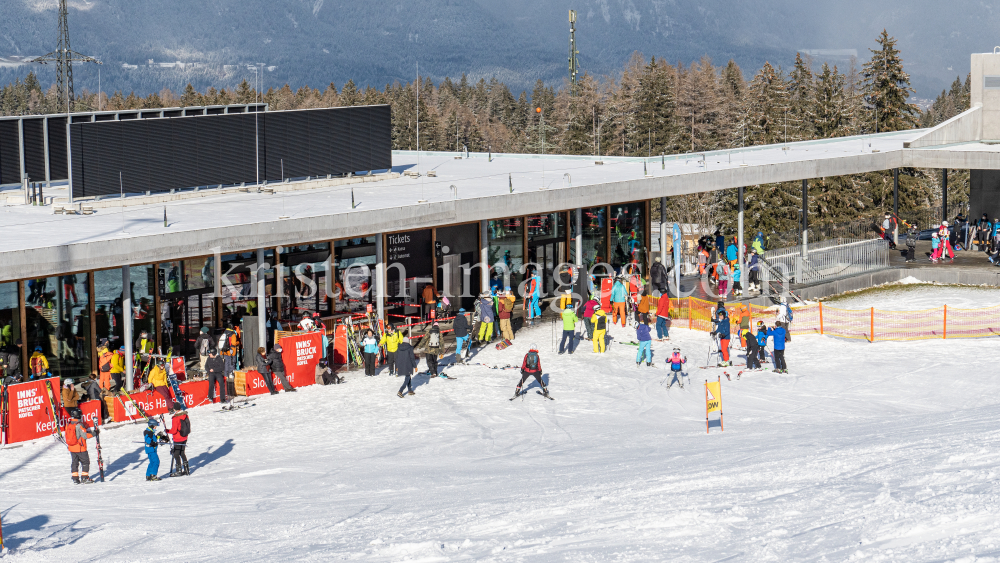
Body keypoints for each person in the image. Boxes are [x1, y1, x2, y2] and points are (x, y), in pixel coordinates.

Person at [63, 415, 96, 484]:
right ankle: (84, 478)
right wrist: (94, 433)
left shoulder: (68, 424)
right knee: (85, 462)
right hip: (80, 448)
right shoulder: (79, 425)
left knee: (74, 463)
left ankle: (75, 479)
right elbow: (85, 435)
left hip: (71, 447)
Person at [166, 403, 190, 477]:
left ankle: (178, 470)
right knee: (182, 453)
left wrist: (167, 431)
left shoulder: (175, 418)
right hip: (184, 437)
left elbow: (174, 431)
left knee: (176, 454)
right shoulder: (185, 415)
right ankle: (186, 470)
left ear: (174, 409)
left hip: (178, 438)